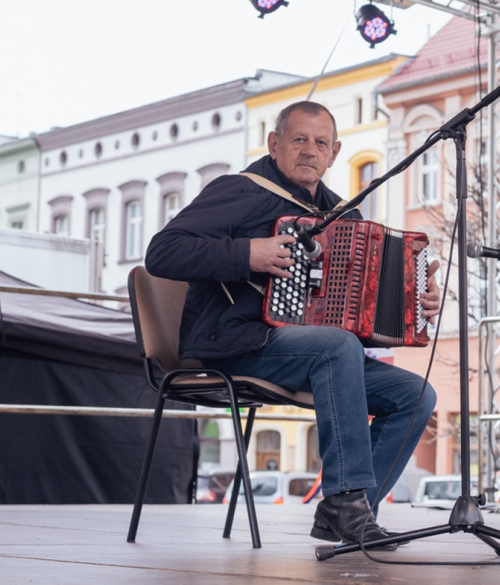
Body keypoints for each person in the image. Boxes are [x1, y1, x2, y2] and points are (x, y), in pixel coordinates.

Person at [146, 101, 439, 549]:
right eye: (299, 139)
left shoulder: (344, 215)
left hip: (312, 351)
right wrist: (250, 254)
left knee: (416, 394)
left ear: (335, 152)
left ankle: (350, 514)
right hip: (237, 341)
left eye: (321, 143)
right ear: (274, 143)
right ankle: (346, 503)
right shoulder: (240, 191)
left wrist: (413, 302)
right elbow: (163, 252)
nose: (309, 151)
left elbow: (357, 311)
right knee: (337, 347)